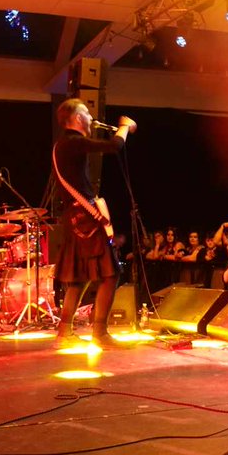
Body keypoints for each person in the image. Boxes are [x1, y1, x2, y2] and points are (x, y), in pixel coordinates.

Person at [52, 98, 136, 348]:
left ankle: (64, 333)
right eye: (87, 114)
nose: (91, 118)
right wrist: (124, 127)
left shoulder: (61, 145)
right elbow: (114, 147)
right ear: (77, 118)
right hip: (86, 220)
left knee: (79, 277)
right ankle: (100, 334)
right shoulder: (74, 142)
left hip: (74, 218)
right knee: (111, 273)